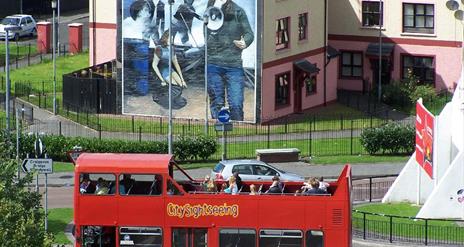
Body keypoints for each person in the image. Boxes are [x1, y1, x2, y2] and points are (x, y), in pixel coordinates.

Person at [206, 0, 254, 121]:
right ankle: (216, 132)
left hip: (234, 66)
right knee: (217, 102)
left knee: (236, 104)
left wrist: (245, 42)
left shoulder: (238, 12)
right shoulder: (210, 11)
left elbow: (249, 33)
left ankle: (237, 132)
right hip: (213, 65)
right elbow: (206, 34)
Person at [152, 30, 188, 109]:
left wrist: (182, 80)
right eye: (170, 38)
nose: (172, 40)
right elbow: (154, 65)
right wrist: (162, 80)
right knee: (174, 86)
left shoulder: (172, 49)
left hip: (169, 69)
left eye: (172, 38)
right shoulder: (159, 49)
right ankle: (167, 101)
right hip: (162, 70)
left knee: (180, 86)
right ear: (165, 38)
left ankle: (173, 99)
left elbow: (176, 64)